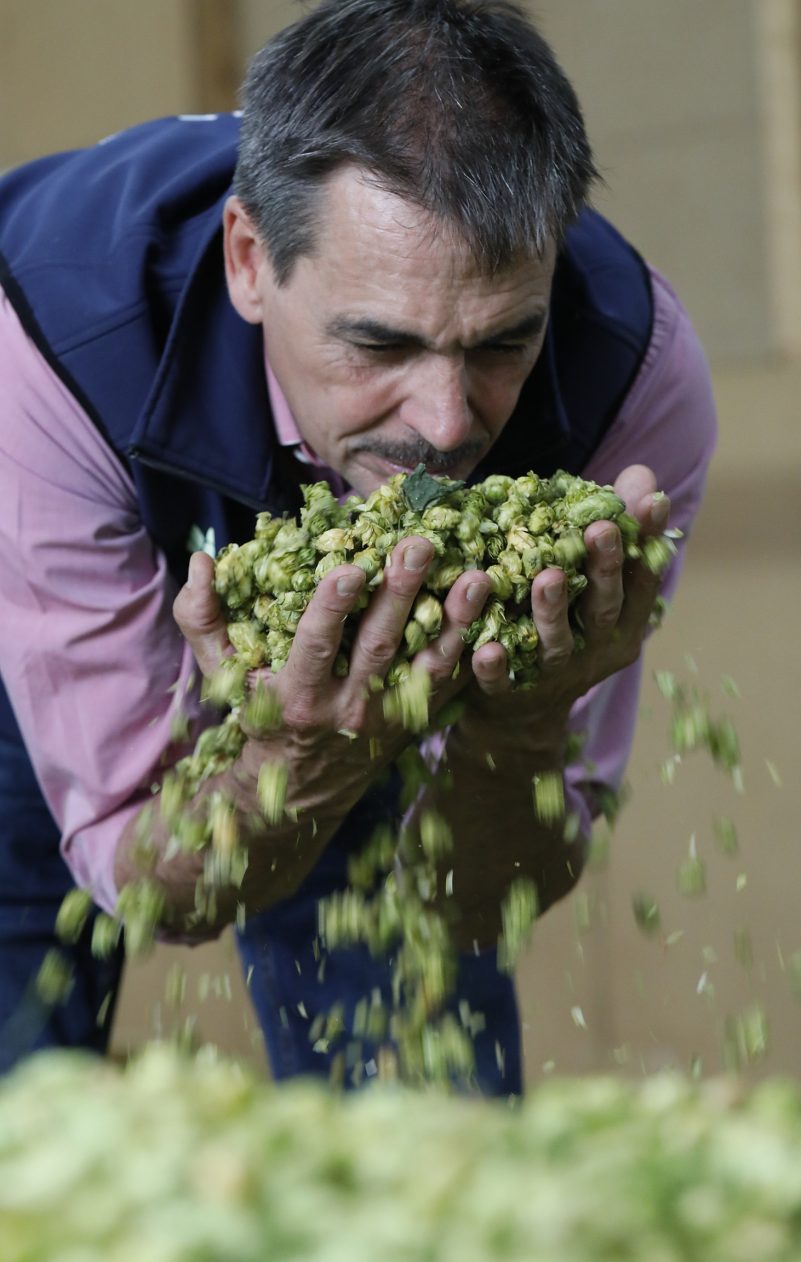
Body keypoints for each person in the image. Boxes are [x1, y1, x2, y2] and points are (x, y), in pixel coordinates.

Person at [0, 0, 716, 1092]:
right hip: (38, 590)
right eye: (380, 342)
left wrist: (518, 729)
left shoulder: (633, 380)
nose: (444, 423)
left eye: (501, 343)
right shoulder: (58, 328)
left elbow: (483, 895)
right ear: (250, 260)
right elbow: (142, 868)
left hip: (379, 690)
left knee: (419, 1067)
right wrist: (291, 758)